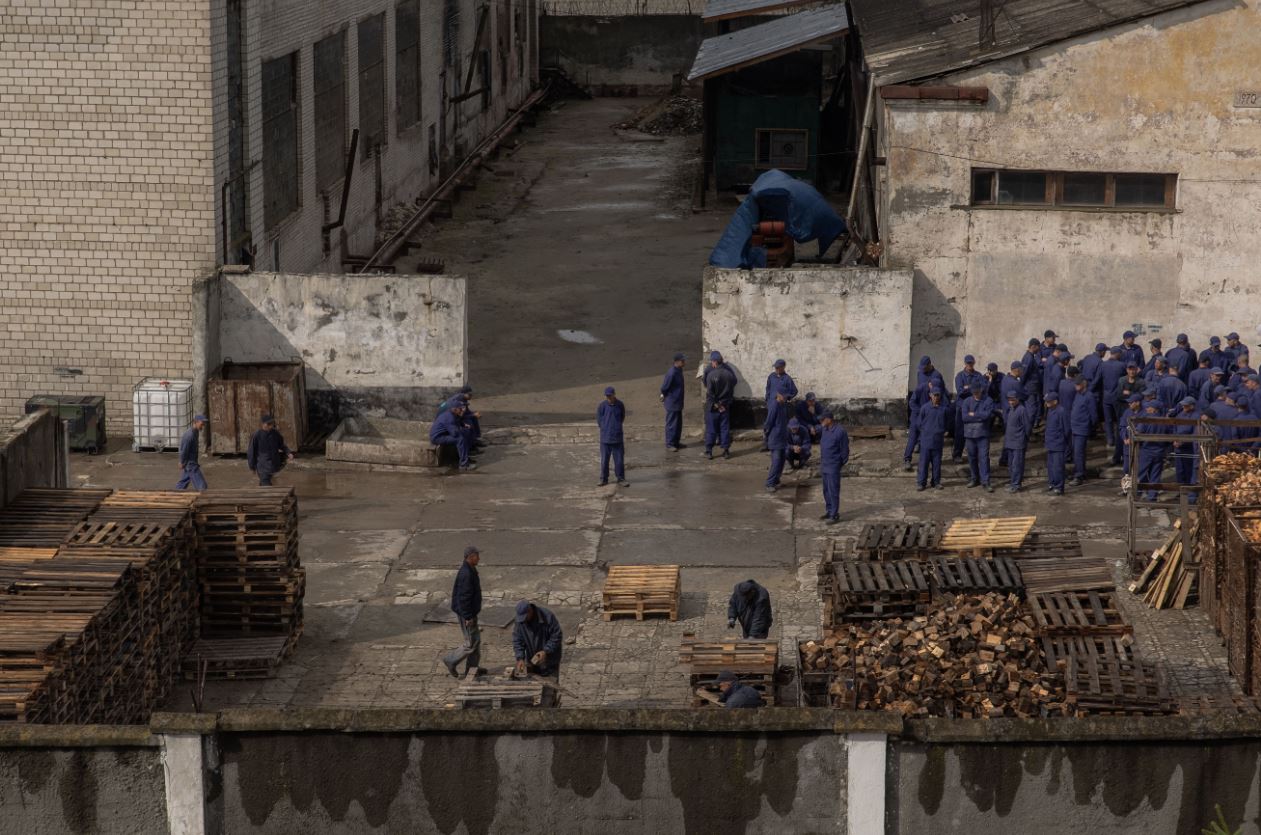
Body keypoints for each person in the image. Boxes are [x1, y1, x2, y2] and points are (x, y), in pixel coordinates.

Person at [443, 546, 484, 678]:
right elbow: (464, 598)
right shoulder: (466, 574)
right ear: (470, 557)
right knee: (471, 644)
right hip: (467, 614)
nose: (479, 558)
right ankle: (451, 660)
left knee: (475, 641)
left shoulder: (470, 569)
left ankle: (472, 669)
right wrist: (468, 617)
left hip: (470, 612)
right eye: (477, 556)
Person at [512, 600, 563, 679]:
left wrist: (546, 651)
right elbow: (517, 640)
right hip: (533, 661)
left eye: (525, 617)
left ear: (530, 611)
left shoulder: (547, 616)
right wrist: (520, 658)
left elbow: (556, 636)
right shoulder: (520, 621)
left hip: (550, 661)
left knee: (550, 683)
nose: (523, 620)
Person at [960, 382, 994, 492]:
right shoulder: (966, 401)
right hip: (969, 435)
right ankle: (974, 478)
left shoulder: (988, 400)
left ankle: (986, 481)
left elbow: (987, 415)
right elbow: (964, 417)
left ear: (981, 390)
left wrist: (973, 414)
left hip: (983, 434)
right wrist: (979, 416)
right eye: (974, 393)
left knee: (984, 458)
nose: (976, 394)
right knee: (972, 457)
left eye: (977, 392)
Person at [952, 355, 985, 463]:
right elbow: (960, 391)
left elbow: (983, 388)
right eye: (968, 363)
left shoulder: (978, 375)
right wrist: (973, 387)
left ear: (974, 363)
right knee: (960, 432)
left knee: (974, 431)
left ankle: (973, 455)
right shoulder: (960, 376)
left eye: (971, 363)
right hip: (962, 407)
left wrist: (967, 387)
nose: (970, 365)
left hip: (975, 407)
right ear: (965, 363)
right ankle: (957, 454)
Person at [818, 411, 849, 524]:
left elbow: (844, 451)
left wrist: (838, 464)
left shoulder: (840, 431)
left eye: (822, 419)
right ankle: (829, 510)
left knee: (833, 491)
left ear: (829, 419)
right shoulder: (824, 430)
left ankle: (834, 514)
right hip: (825, 465)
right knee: (826, 490)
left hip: (833, 465)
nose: (821, 421)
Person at [704, 351, 736, 460]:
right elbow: (734, 383)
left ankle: (709, 451)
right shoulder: (729, 374)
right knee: (724, 428)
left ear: (714, 362)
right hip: (725, 405)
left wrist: (716, 404)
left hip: (713, 406)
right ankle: (726, 451)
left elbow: (710, 393)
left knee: (711, 428)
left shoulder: (711, 375)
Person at [1136, 402, 1171, 501]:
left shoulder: (1146, 420)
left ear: (1154, 409)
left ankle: (1137, 496)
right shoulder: (1165, 421)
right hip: (1159, 452)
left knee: (1141, 474)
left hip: (1146, 451)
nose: (1147, 409)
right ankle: (1152, 498)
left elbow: (1138, 433)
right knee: (1155, 476)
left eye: (1149, 408)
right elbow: (1170, 437)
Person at [915, 387, 948, 491]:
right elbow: (919, 423)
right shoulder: (925, 408)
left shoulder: (944, 409)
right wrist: (926, 432)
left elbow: (947, 423)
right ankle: (921, 483)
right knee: (923, 463)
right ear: (930, 395)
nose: (936, 397)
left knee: (937, 463)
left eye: (938, 395)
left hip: (938, 441)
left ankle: (936, 482)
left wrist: (943, 431)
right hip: (926, 441)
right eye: (934, 395)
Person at [247, 414, 293, 486]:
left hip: (274, 465)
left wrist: (288, 452)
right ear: (263, 424)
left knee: (270, 484)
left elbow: (281, 445)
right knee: (266, 486)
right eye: (268, 424)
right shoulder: (256, 435)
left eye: (271, 424)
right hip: (263, 466)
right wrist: (252, 467)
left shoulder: (275, 433)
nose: (270, 426)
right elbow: (251, 452)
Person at [429, 401, 476, 472]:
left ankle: (465, 457)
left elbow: (456, 421)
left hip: (444, 434)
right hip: (437, 437)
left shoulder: (451, 413)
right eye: (460, 409)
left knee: (465, 433)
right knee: (460, 439)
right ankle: (464, 465)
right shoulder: (449, 417)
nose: (462, 410)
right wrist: (462, 429)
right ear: (455, 409)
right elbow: (454, 433)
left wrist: (463, 425)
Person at [1171, 396, 1202, 502]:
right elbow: (1175, 428)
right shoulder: (1180, 414)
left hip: (1189, 449)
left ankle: (1188, 492)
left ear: (1192, 406)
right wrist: (1174, 439)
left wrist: (1183, 441)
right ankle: (1181, 491)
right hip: (1178, 448)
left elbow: (1195, 434)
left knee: (1189, 471)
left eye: (1186, 405)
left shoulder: (1196, 416)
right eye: (1183, 405)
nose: (1184, 407)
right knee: (1179, 471)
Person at [597, 386, 628, 487]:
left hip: (617, 438)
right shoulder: (602, 406)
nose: (609, 398)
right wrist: (605, 428)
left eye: (610, 395)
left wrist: (616, 427)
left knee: (619, 461)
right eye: (607, 396)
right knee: (604, 461)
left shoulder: (620, 405)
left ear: (614, 394)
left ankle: (621, 478)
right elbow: (599, 420)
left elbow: (622, 417)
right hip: (605, 439)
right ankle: (603, 479)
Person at [1069, 377, 1097, 487]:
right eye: (1075, 384)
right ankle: (1080, 472)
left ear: (1084, 384)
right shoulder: (1078, 394)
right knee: (1077, 452)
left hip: (1082, 429)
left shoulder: (1089, 396)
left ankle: (1079, 476)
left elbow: (1093, 414)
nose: (1076, 386)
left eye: (1078, 384)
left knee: (1078, 453)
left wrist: (1090, 427)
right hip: (1075, 428)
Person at [1099, 347, 1127, 448]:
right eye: (1121, 353)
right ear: (1117, 354)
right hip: (1118, 397)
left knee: (1108, 420)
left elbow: (1098, 379)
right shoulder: (1122, 365)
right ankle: (1120, 439)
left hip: (1106, 397)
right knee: (1120, 419)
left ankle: (1110, 440)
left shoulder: (1103, 365)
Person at [1003, 392, 1031, 493]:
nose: (1011, 402)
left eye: (1013, 400)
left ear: (1017, 399)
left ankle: (1016, 485)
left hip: (1018, 443)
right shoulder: (1010, 409)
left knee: (1017, 465)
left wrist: (1024, 439)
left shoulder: (1022, 410)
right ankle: (1013, 482)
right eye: (1009, 400)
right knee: (1011, 464)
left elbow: (1027, 427)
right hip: (1010, 442)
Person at [1043, 392, 1070, 496]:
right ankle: (1052, 484)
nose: (1046, 403)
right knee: (1050, 466)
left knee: (1058, 467)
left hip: (1058, 444)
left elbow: (1066, 429)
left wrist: (1062, 441)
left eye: (1048, 401)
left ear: (1055, 401)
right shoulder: (1050, 410)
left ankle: (1059, 488)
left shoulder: (1061, 411)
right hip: (1050, 443)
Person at [660, 353, 686, 451]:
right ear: (677, 362)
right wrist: (666, 396)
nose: (684, 362)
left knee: (678, 424)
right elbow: (664, 387)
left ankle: (676, 442)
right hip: (672, 402)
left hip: (678, 402)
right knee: (671, 424)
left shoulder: (679, 370)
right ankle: (670, 444)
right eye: (682, 361)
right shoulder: (672, 373)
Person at [764, 393, 790, 492]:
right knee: (776, 461)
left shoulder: (783, 406)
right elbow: (769, 422)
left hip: (782, 437)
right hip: (775, 438)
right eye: (784, 395)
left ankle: (776, 479)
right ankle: (769, 483)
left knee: (782, 460)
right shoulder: (774, 406)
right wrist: (766, 434)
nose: (786, 397)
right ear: (778, 395)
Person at [175, 414, 208, 491]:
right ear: (196, 422)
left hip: (192, 462)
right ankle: (203, 497)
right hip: (190, 464)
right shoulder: (189, 435)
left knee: (182, 484)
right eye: (202, 423)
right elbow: (184, 450)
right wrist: (182, 462)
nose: (203, 426)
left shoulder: (196, 432)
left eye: (204, 424)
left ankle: (175, 493)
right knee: (202, 486)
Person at [1119, 393, 1144, 492]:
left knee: (1138, 468)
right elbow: (1122, 426)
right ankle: (1127, 489)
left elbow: (1142, 429)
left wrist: (1134, 438)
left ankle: (1139, 489)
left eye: (1131, 402)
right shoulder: (1127, 412)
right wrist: (1124, 438)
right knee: (1127, 468)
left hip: (1139, 446)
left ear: (1137, 403)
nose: (1129, 404)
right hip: (1127, 446)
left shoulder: (1144, 413)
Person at [1020, 339, 1044, 425]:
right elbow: (1024, 374)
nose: (1039, 349)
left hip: (1033, 387)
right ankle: (1027, 429)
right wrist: (1021, 386)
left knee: (1034, 408)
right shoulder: (1028, 358)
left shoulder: (1031, 357)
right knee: (1031, 410)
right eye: (1038, 347)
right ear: (1033, 346)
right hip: (1030, 388)